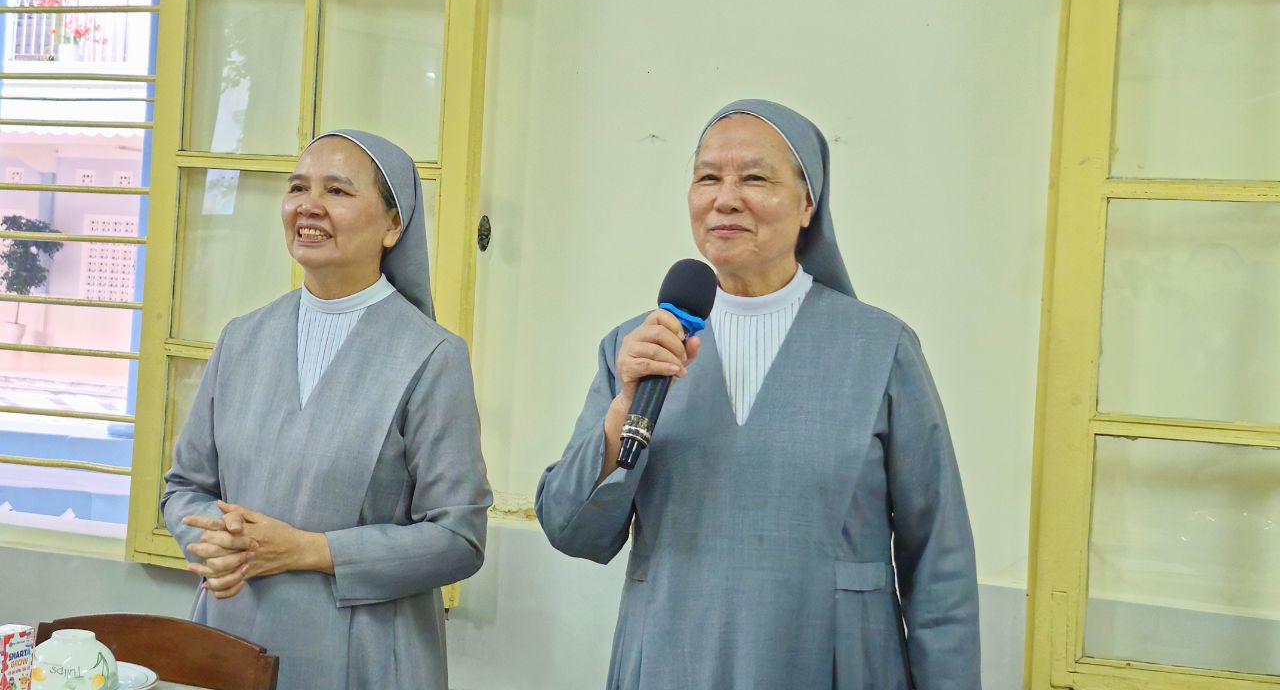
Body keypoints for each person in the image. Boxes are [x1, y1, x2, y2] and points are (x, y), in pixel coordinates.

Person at [536, 100, 980, 689]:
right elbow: (572, 531)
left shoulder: (881, 349)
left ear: (808, 204)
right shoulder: (638, 349)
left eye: (754, 178)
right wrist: (624, 410)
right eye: (707, 177)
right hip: (674, 660)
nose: (725, 198)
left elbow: (939, 559)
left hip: (835, 664)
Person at [162, 130, 491, 690]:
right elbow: (184, 489)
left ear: (394, 225)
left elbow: (459, 539)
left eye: (337, 190)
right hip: (231, 638)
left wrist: (310, 550)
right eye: (298, 187)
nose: (309, 205)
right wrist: (214, 540)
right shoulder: (241, 339)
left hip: (365, 655)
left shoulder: (431, 356)